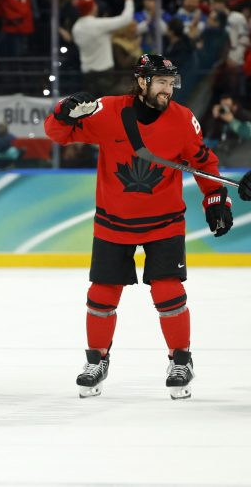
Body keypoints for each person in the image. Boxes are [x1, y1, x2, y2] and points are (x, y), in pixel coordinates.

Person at [45, 54, 230, 399]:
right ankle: (96, 360)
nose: (167, 89)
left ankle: (181, 361)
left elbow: (204, 163)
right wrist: (64, 110)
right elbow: (58, 134)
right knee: (101, 295)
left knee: (168, 292)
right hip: (113, 223)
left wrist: (216, 200)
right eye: (160, 82)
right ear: (142, 82)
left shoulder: (182, 119)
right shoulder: (107, 111)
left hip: (165, 222)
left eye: (170, 82)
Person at [71, 0, 135, 96]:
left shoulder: (76, 28)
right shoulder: (98, 25)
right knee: (106, 104)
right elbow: (126, 19)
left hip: (87, 74)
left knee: (91, 105)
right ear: (92, 8)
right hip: (104, 74)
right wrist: (129, 0)